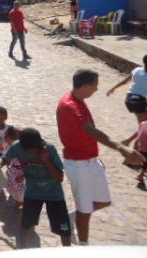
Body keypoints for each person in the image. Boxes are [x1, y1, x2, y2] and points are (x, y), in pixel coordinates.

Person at [56, 69, 145, 245]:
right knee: (85, 209)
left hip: (91, 160)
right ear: (86, 85)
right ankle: (83, 247)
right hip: (79, 164)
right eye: (95, 86)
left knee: (103, 201)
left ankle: (69, 218)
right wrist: (120, 147)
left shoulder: (79, 100)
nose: (97, 89)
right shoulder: (70, 105)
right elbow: (90, 130)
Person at [0, 128, 72, 248]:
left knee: (64, 230)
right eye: (27, 151)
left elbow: (59, 178)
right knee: (25, 225)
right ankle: (22, 251)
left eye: (33, 151)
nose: (30, 155)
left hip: (54, 194)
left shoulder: (50, 149)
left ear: (40, 145)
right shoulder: (17, 147)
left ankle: (68, 252)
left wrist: (47, 161)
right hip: (32, 193)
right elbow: (4, 158)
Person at [106, 54, 147, 146]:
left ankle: (130, 142)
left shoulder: (137, 70)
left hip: (129, 98)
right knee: (144, 127)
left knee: (143, 125)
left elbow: (125, 80)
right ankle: (132, 146)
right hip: (139, 101)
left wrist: (113, 88)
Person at [3, 127, 24, 207]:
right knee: (11, 188)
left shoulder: (24, 153)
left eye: (8, 141)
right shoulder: (10, 148)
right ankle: (18, 200)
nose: (7, 143)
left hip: (19, 176)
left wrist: (23, 176)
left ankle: (21, 201)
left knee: (20, 191)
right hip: (11, 173)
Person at [137, 120, 147, 189]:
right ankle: (140, 175)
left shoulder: (142, 123)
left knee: (144, 164)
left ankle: (140, 174)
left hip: (141, 149)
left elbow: (138, 136)